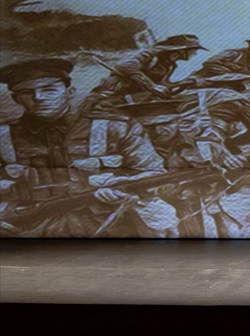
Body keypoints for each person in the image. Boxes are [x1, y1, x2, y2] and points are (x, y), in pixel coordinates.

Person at [0, 57, 176, 237]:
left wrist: (123, 189)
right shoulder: (2, 135)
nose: (38, 98)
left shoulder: (117, 127)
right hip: (27, 227)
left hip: (111, 224)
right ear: (16, 99)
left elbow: (155, 174)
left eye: (49, 89)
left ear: (69, 92)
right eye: (27, 93)